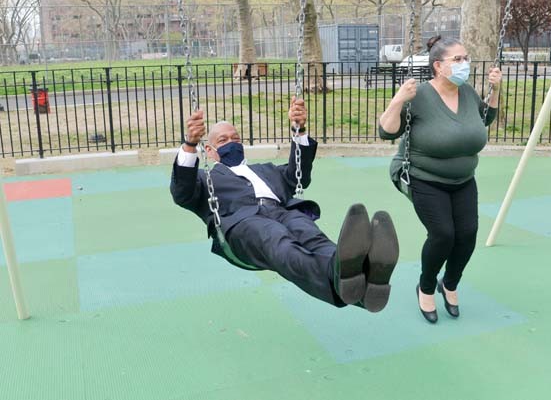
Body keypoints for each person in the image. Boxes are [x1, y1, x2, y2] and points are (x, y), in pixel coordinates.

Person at [170, 97, 399, 312]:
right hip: (244, 223)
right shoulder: (204, 178)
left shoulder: (265, 170)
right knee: (279, 241)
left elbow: (298, 176)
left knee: (310, 234)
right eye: (223, 140)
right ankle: (346, 283)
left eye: (236, 139)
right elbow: (182, 192)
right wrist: (190, 144)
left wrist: (299, 129)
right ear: (209, 150)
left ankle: (364, 282)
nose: (232, 143)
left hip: (282, 211)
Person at [378, 35, 501, 323]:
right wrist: (398, 100)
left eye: (466, 58)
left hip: (463, 179)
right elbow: (386, 131)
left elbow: (484, 119)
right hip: (424, 177)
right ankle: (425, 286)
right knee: (444, 234)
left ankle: (451, 283)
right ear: (438, 66)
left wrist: (495, 91)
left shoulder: (467, 92)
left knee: (467, 236)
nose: (464, 64)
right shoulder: (419, 95)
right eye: (457, 59)